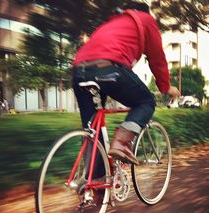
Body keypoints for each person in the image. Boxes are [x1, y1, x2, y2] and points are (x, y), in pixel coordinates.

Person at [72, 0, 180, 166]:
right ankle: (122, 143)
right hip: (108, 68)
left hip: (79, 71)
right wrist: (165, 87)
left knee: (92, 132)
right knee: (145, 102)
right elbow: (157, 58)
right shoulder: (146, 20)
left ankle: (97, 186)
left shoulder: (111, 23)